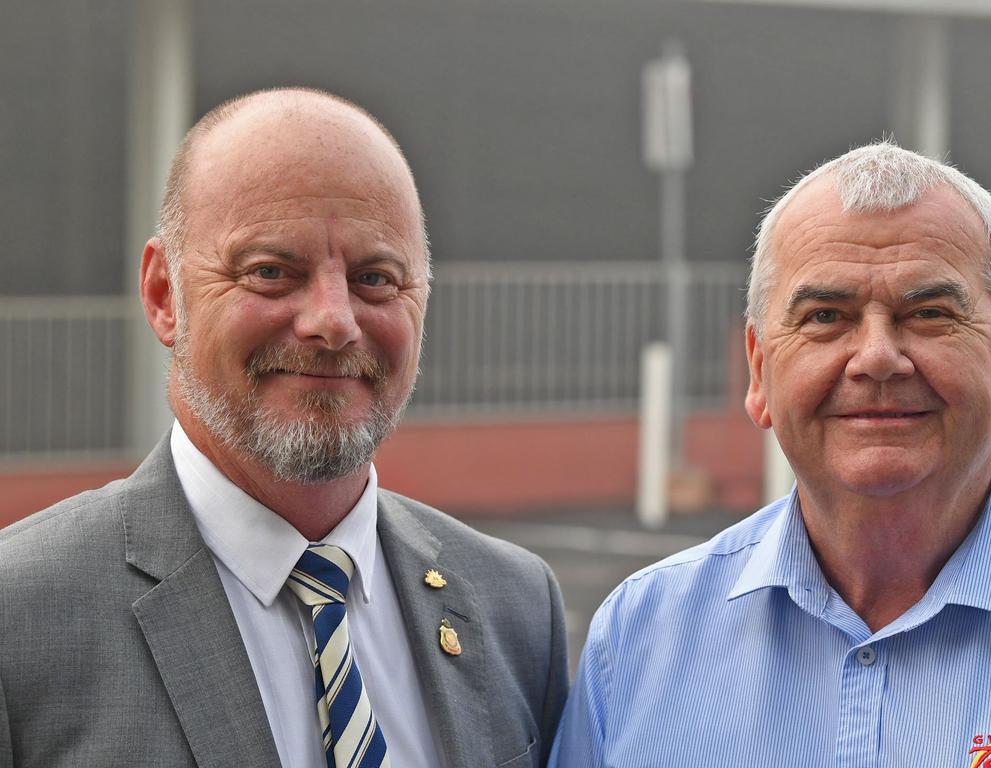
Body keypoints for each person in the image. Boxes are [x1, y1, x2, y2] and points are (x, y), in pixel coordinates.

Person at [0, 87, 567, 768]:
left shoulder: (514, 607)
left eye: (375, 278)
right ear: (163, 295)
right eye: (271, 272)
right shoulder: (20, 619)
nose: (332, 319)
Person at [550, 141, 991, 766]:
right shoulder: (640, 641)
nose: (877, 356)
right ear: (759, 371)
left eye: (930, 313)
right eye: (826, 315)